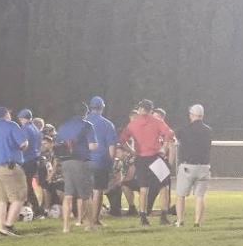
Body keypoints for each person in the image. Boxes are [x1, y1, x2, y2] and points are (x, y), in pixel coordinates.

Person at [122, 99, 173, 227]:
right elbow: (169, 133)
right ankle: (163, 217)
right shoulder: (156, 121)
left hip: (141, 158)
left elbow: (122, 140)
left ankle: (143, 217)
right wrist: (164, 148)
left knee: (143, 188)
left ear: (140, 109)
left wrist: (132, 151)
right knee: (164, 186)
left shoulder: (133, 124)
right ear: (151, 110)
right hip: (155, 157)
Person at [54, 102, 98, 234]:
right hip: (81, 161)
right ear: (86, 113)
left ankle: (66, 227)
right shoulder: (87, 125)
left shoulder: (63, 126)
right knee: (86, 196)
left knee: (68, 196)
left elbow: (57, 145)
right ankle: (90, 224)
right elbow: (93, 146)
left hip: (65, 162)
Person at [0, 107, 28, 237]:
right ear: (6, 115)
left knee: (1, 200)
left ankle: (1, 229)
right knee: (19, 197)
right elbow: (23, 144)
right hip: (10, 167)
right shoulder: (12, 125)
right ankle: (8, 226)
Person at [175, 104, 212, 227]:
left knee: (180, 195)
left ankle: (180, 221)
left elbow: (177, 137)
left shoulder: (184, 129)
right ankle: (197, 222)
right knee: (200, 196)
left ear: (191, 115)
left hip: (188, 166)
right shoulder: (208, 130)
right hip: (204, 167)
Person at [86, 97, 118, 226]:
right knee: (98, 190)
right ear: (102, 107)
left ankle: (84, 219)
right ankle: (94, 220)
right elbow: (112, 147)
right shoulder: (107, 124)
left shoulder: (83, 122)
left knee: (86, 192)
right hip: (100, 161)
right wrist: (111, 163)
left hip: (83, 160)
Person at [17, 109, 43, 217]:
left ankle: (37, 210)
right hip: (35, 160)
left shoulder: (25, 128)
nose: (19, 120)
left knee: (26, 187)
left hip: (27, 160)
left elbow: (23, 145)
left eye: (20, 118)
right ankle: (34, 209)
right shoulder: (36, 129)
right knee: (28, 186)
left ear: (23, 118)